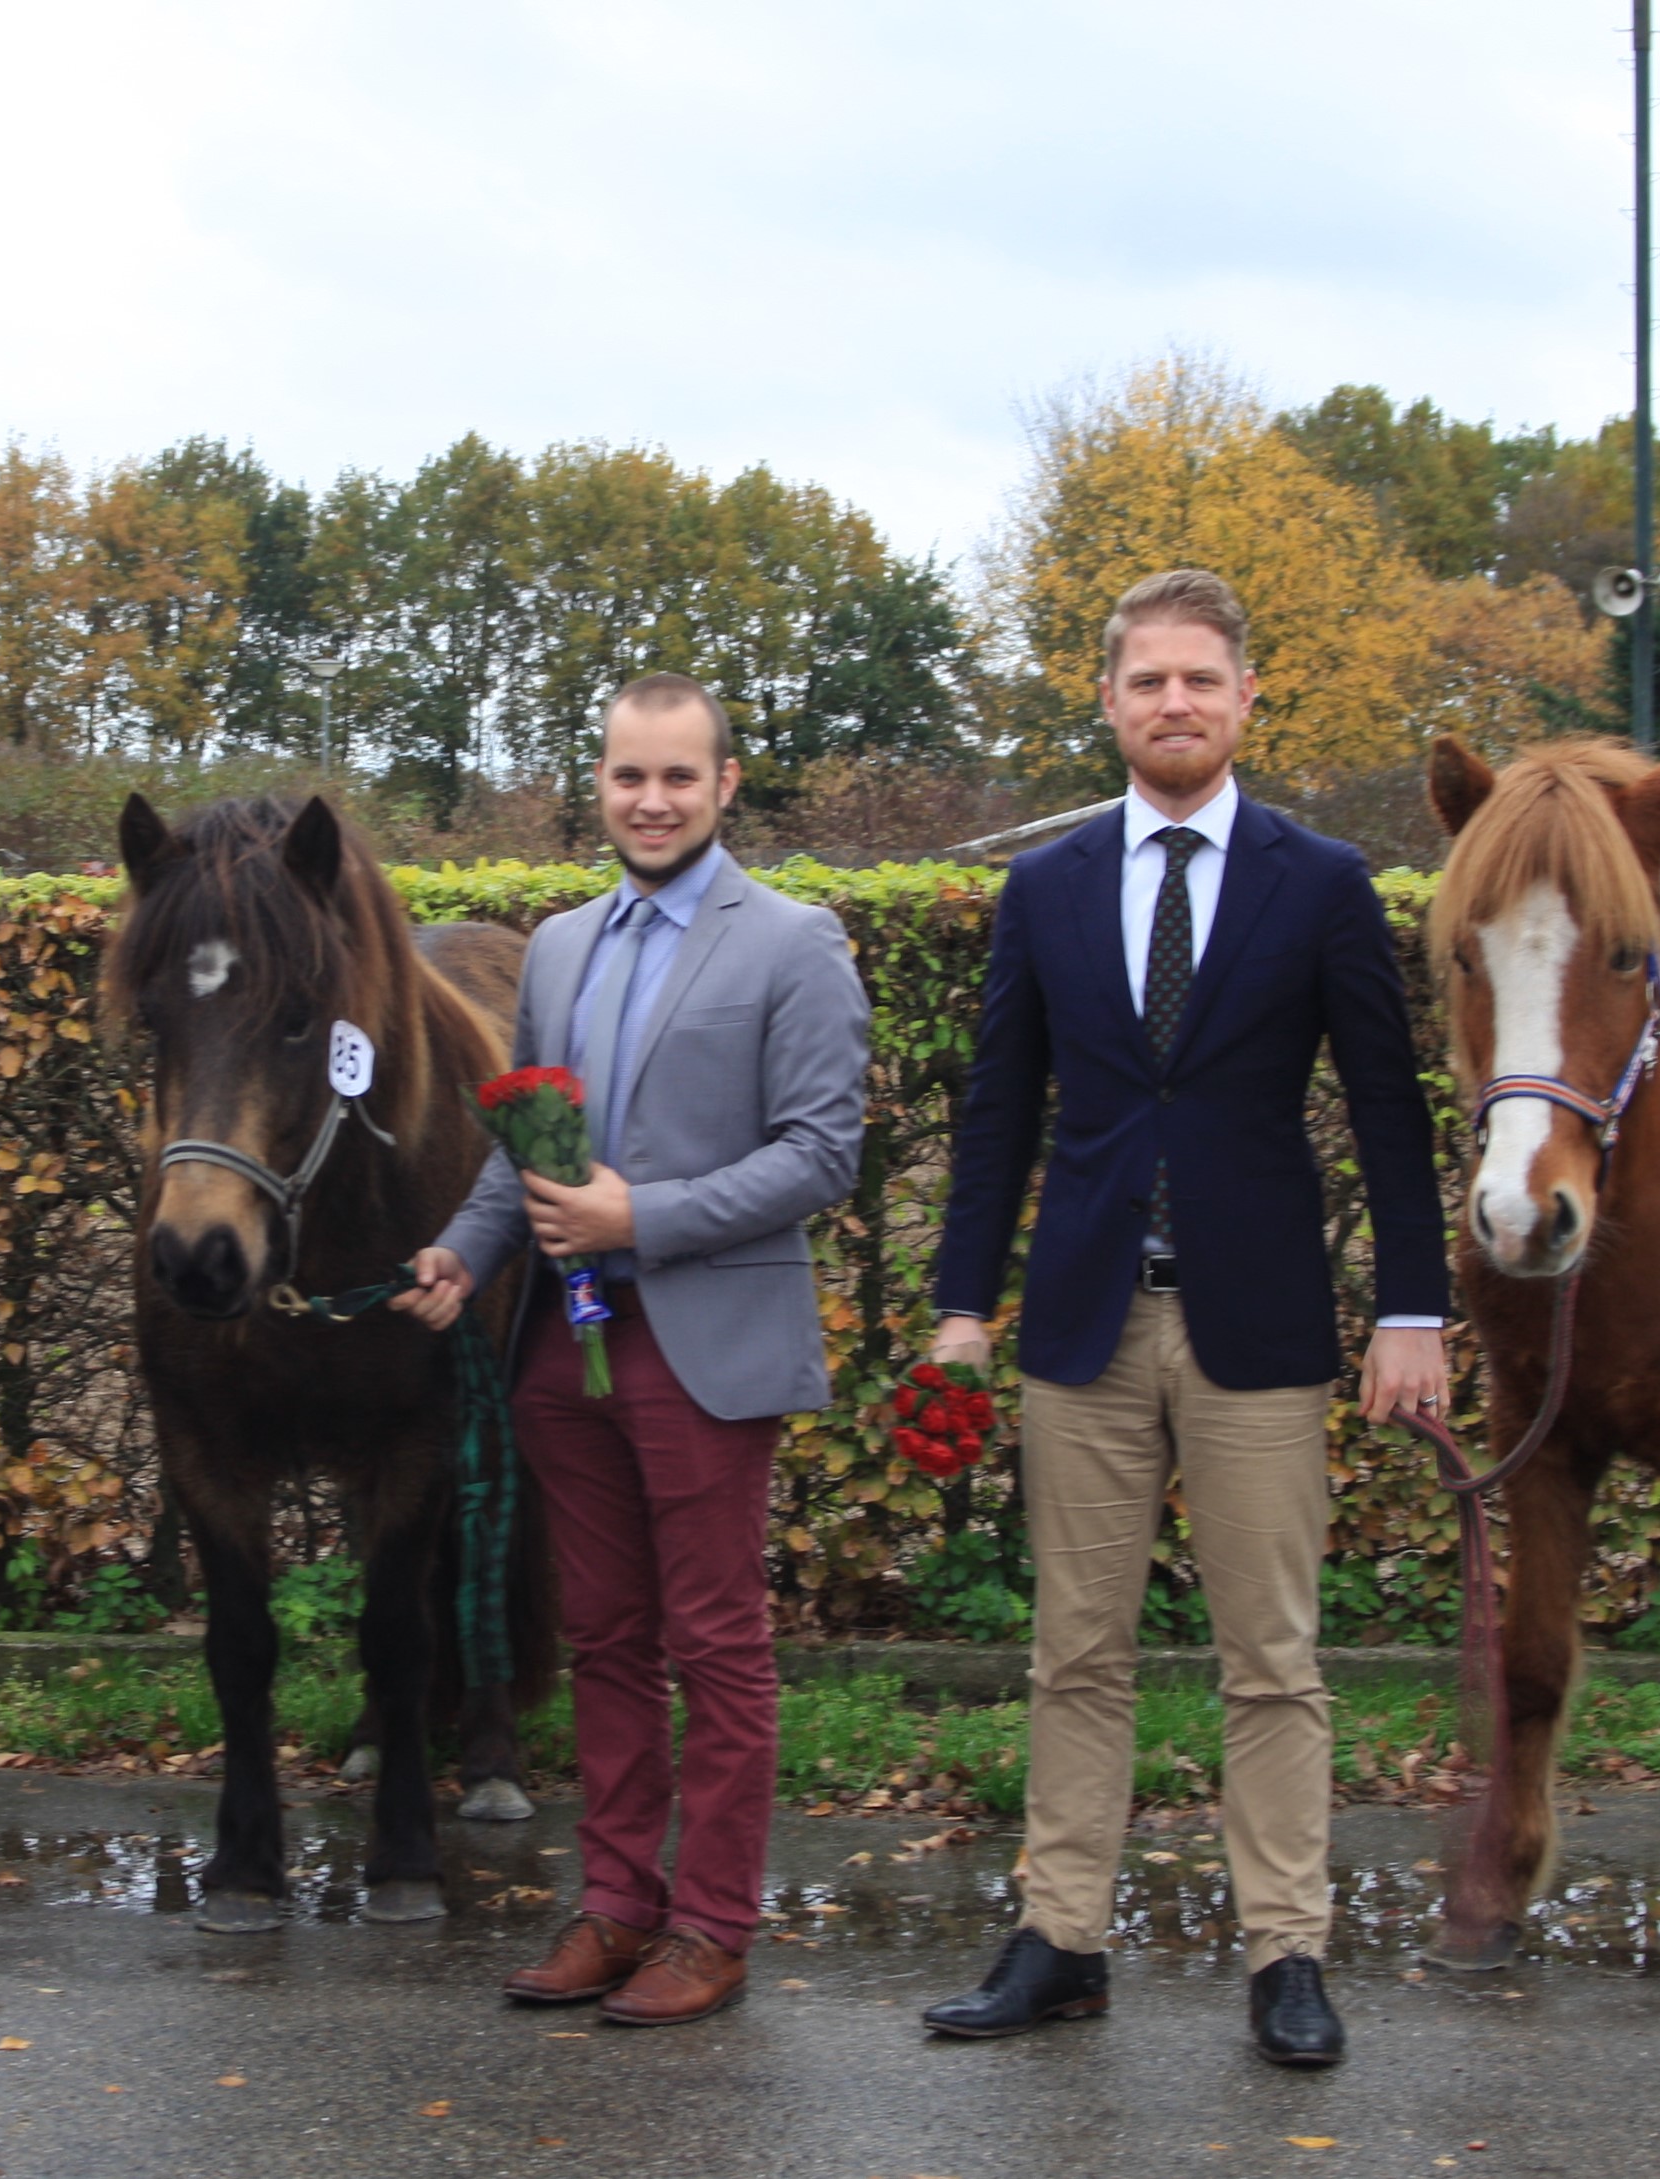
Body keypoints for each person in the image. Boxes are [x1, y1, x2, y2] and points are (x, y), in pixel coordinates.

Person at [918, 570, 1448, 2066]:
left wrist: (1416, 1305)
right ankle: (1059, 1939)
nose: (1173, 704)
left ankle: (1287, 1951)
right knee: (1074, 1652)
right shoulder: (1051, 888)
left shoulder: (1322, 883)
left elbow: (1391, 1118)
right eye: (1147, 681)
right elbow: (998, 1112)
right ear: (1108, 702)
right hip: (1082, 1327)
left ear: (1244, 700)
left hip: (1257, 1329)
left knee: (1272, 1657)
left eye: (1199, 681)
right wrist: (964, 1303)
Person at [394, 672, 869, 2026]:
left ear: (725, 788)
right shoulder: (556, 949)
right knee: (602, 1637)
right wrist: (463, 1250)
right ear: (596, 786)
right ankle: (616, 1908)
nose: (649, 800)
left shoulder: (794, 943)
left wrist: (636, 1217)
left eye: (677, 777)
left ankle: (710, 1926)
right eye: (626, 776)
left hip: (707, 1348)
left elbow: (822, 1156)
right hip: (565, 1351)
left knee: (714, 1645)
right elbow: (521, 1144)